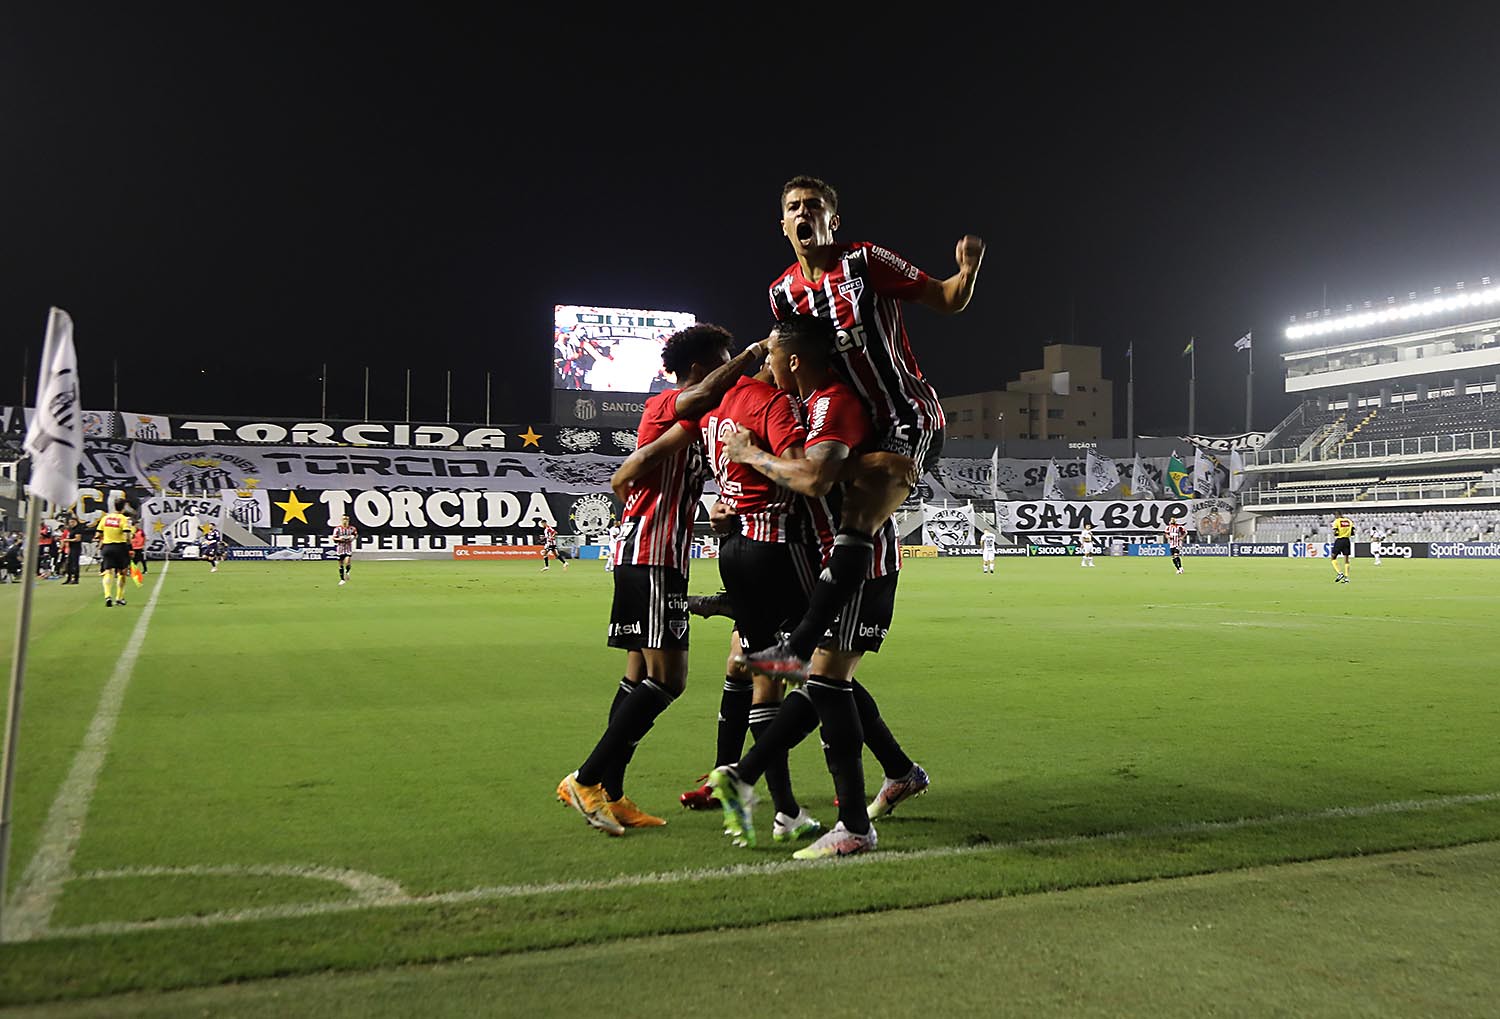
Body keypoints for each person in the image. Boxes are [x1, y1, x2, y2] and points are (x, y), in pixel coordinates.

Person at [747, 175, 984, 678]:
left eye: (814, 205)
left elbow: (945, 298)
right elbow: (787, 363)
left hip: (907, 415)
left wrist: (968, 270)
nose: (804, 212)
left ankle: (804, 644)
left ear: (833, 220)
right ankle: (821, 640)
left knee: (859, 513)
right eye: (795, 206)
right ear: (783, 222)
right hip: (846, 424)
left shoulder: (863, 261)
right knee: (826, 511)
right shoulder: (782, 292)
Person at [712, 315, 928, 858]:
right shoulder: (809, 407)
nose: (765, 366)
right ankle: (892, 778)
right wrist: (733, 507)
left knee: (826, 683)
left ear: (792, 361)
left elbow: (814, 478)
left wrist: (751, 456)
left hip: (863, 564)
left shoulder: (830, 403)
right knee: (822, 680)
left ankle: (850, 824)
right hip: (830, 563)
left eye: (771, 359)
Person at [557, 323, 768, 837]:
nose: (731, 368)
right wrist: (755, 351)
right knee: (668, 681)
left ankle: (612, 791)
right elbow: (702, 397)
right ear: (702, 369)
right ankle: (584, 779)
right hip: (651, 553)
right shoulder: (666, 405)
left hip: (654, 552)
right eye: (723, 359)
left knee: (635, 679)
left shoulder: (703, 421)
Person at [95, 499, 134, 607]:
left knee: (108, 571)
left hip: (107, 546)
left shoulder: (105, 518)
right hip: (120, 547)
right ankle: (119, 598)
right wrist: (130, 548)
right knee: (122, 573)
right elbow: (127, 536)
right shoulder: (123, 519)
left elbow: (98, 534)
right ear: (123, 507)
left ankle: (107, 595)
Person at [332, 515, 358, 585]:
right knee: (340, 565)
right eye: (344, 519)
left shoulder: (352, 528)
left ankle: (347, 572)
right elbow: (334, 538)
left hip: (348, 548)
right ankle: (342, 579)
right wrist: (339, 539)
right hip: (340, 549)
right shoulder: (337, 529)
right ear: (341, 520)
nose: (345, 520)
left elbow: (355, 535)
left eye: (346, 519)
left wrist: (352, 538)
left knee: (347, 561)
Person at [59, 517, 83, 585]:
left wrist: (67, 540)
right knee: (68, 564)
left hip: (76, 548)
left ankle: (76, 579)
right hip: (71, 548)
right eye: (70, 522)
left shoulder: (78, 529)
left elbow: (77, 539)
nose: (71, 524)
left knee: (75, 563)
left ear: (75, 522)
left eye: (72, 522)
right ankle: (68, 578)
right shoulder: (71, 530)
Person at [1331, 512, 1355, 583]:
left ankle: (1339, 573)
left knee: (1333, 557)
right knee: (1346, 560)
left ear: (1337, 515)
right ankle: (1347, 577)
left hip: (1340, 540)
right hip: (1347, 540)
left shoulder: (1337, 521)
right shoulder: (1349, 521)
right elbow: (1352, 533)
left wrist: (1338, 533)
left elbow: (1335, 533)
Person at [129, 519, 147, 585]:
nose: (137, 525)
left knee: (141, 559)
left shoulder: (141, 531)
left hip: (139, 547)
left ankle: (145, 570)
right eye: (136, 524)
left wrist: (143, 544)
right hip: (133, 547)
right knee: (134, 560)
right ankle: (133, 570)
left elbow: (144, 537)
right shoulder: (131, 531)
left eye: (138, 524)